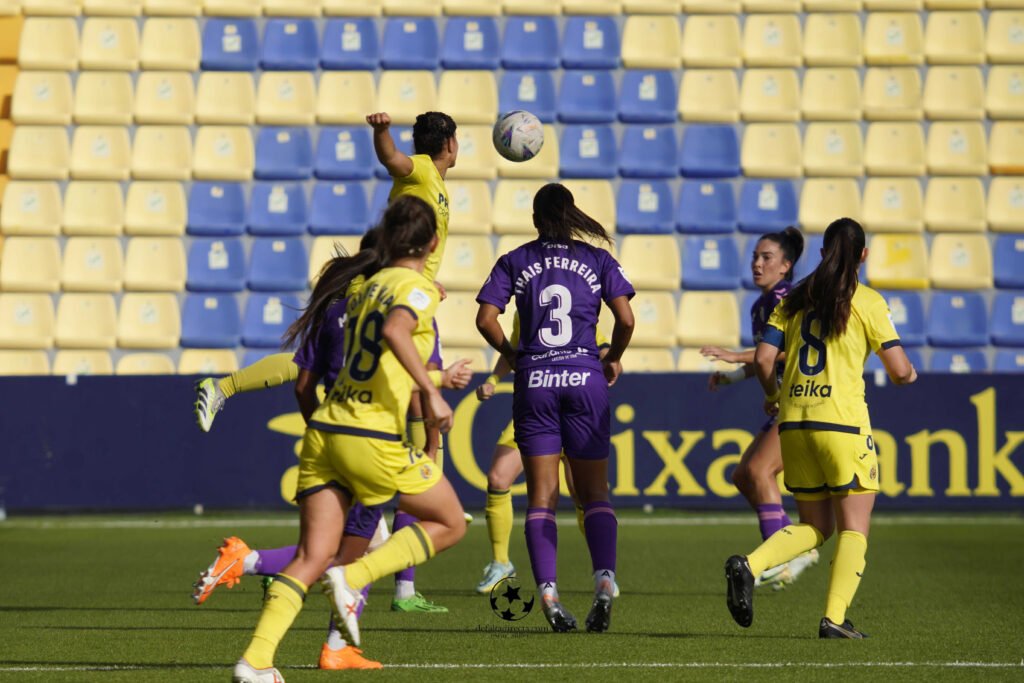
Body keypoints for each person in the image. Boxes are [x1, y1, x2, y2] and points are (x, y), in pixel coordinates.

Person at [233, 196, 468, 683]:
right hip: (370, 435)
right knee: (450, 521)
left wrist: (440, 382)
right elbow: (398, 332)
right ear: (434, 243)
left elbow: (377, 361)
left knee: (310, 555)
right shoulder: (416, 289)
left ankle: (255, 661)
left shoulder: (360, 291)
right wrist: (433, 391)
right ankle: (353, 578)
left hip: (325, 432)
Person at [723, 217, 917, 639]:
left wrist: (773, 394)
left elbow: (761, 359)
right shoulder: (866, 301)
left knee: (815, 527)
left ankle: (750, 565)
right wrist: (908, 375)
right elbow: (900, 371)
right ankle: (834, 618)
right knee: (853, 527)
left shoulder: (792, 300)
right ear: (863, 255)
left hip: (793, 423)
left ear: (822, 252)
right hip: (842, 425)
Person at [476, 183, 635, 634]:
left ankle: (548, 591)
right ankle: (604, 582)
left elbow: (485, 319)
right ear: (572, 214)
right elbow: (625, 319)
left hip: (536, 381)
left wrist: (515, 351)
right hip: (585, 378)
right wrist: (612, 356)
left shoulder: (516, 260)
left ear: (534, 219)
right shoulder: (597, 259)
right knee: (595, 494)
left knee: (542, 497)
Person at [702, 227, 818, 588]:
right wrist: (733, 377)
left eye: (766, 257)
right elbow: (765, 360)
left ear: (785, 266)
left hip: (804, 401)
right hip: (786, 401)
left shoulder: (787, 298)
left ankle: (783, 557)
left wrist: (736, 354)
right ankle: (795, 549)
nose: (757, 263)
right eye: (755, 256)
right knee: (743, 476)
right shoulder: (761, 305)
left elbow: (791, 348)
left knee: (758, 472)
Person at [474, 314, 620, 600]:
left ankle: (603, 571)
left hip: (572, 404)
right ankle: (501, 563)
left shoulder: (578, 302)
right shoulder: (524, 308)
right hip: (539, 409)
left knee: (584, 495)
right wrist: (493, 379)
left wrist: (608, 358)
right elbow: (513, 350)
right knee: (498, 477)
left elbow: (602, 344)